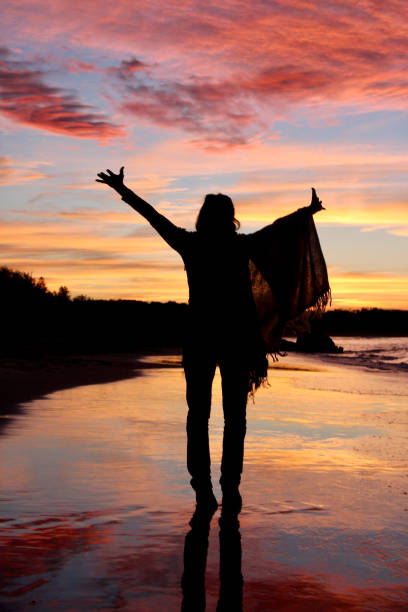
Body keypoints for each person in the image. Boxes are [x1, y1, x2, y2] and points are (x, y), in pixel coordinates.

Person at [96, 167, 329, 518]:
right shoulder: (241, 245)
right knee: (234, 418)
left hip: (201, 338)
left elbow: (154, 218)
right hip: (236, 339)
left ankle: (203, 490)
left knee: (198, 417)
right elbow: (278, 231)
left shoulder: (191, 244)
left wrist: (123, 190)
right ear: (231, 218)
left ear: (204, 217)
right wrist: (306, 213)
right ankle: (230, 487)